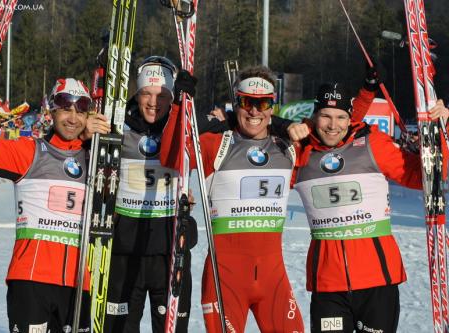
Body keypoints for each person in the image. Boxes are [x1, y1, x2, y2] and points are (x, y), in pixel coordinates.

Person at [292, 82, 449, 333]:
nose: (333, 126)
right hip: (327, 285)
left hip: (378, 280)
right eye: (326, 116)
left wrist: (439, 128)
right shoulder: (300, 154)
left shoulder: (372, 144)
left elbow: (425, 178)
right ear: (314, 117)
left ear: (350, 116)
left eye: (341, 117)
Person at [160, 66, 305, 333]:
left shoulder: (288, 148)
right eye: (247, 102)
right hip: (223, 278)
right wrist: (180, 104)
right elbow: (171, 158)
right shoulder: (217, 143)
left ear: (272, 106)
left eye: (262, 103)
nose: (254, 111)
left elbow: (335, 134)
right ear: (236, 102)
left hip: (274, 280)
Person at [0, 78, 110, 333]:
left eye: (80, 110)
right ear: (52, 111)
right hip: (31, 281)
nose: (72, 118)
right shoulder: (30, 152)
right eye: (66, 108)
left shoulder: (95, 159)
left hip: (79, 284)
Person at [103, 56, 198, 333]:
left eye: (162, 95)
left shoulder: (186, 128)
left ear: (172, 98)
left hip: (170, 251)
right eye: (146, 93)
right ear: (137, 93)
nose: (153, 102)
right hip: (125, 250)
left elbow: (240, 124)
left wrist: (280, 125)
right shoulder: (117, 127)